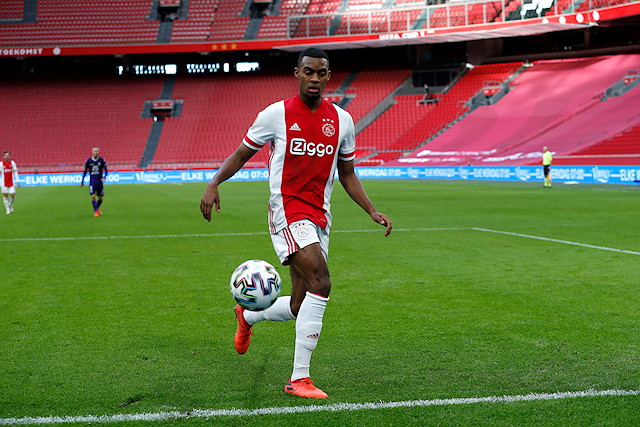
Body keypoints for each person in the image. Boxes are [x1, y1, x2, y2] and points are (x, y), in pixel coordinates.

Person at [200, 48, 392, 400]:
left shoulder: (342, 120)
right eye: (308, 72)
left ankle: (247, 316)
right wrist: (214, 183)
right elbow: (242, 153)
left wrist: (371, 210)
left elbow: (348, 173)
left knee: (299, 305)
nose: (314, 78)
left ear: (328, 76)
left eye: (321, 72)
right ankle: (299, 378)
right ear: (297, 73)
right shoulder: (276, 114)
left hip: (320, 216)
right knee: (322, 280)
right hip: (287, 211)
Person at [81, 147, 108, 217]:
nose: (96, 152)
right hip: (92, 181)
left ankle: (97, 208)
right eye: (95, 151)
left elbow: (106, 170)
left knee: (101, 198)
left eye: (97, 151)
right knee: (93, 196)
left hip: (99, 181)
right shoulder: (88, 161)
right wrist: (82, 181)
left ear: (99, 152)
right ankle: (96, 211)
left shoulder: (101, 160)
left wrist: (104, 177)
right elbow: (85, 171)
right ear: (92, 152)